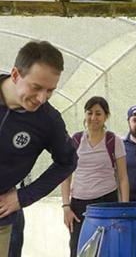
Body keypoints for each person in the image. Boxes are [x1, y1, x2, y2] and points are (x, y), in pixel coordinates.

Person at [0, 41, 78, 257]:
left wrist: (23, 197)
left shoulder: (48, 120)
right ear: (15, 74)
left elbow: (68, 161)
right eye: (36, 87)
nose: (42, 98)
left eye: (50, 90)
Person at [61, 96, 129, 257]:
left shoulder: (114, 141)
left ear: (106, 116)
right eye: (89, 113)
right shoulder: (75, 140)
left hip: (107, 202)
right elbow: (65, 176)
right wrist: (66, 207)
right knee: (78, 249)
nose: (93, 118)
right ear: (85, 115)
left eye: (98, 113)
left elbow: (123, 177)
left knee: (107, 248)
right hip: (78, 205)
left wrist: (123, 208)